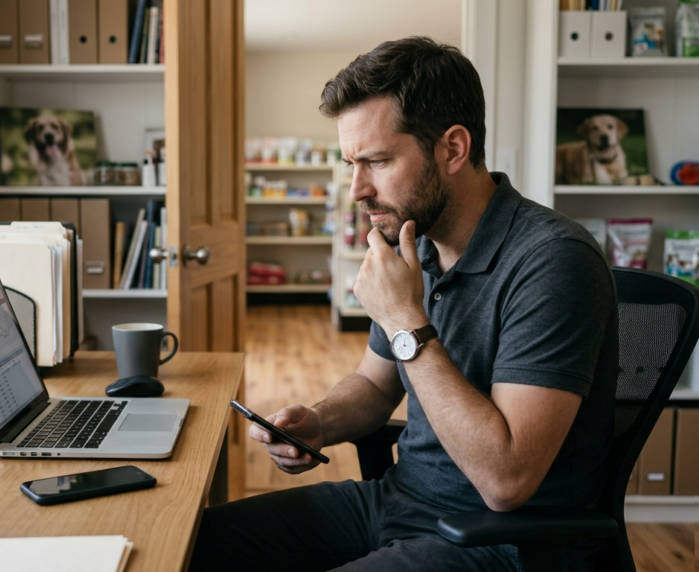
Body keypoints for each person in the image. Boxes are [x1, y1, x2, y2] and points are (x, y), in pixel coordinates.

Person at [189, 36, 617, 572]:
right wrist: (320, 422)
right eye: (351, 163)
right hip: (397, 503)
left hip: (504, 542)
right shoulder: (414, 245)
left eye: (377, 162)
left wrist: (403, 318)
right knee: (190, 548)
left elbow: (507, 481)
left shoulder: (554, 260)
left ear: (453, 149)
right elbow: (373, 386)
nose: (356, 190)